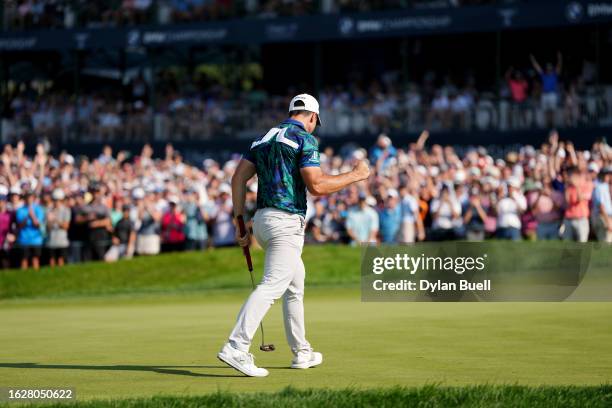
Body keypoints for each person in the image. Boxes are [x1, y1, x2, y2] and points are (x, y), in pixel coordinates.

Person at [218, 93, 370, 377]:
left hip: (262, 221)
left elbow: (238, 178)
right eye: (316, 122)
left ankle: (302, 352)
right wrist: (355, 175)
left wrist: (240, 221)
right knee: (273, 284)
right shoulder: (305, 138)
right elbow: (318, 186)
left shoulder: (264, 137)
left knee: (294, 285)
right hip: (285, 222)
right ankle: (236, 346)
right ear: (312, 117)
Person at [530, 52, 562, 128]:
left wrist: (560, 58)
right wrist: (533, 60)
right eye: (547, 67)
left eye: (550, 67)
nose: (549, 68)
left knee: (552, 110)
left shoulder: (555, 75)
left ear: (551, 68)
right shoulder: (544, 75)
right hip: (545, 94)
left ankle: (552, 124)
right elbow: (537, 67)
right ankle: (547, 124)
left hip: (552, 94)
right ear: (546, 68)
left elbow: (559, 66)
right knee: (546, 110)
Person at [15, 191, 45, 269]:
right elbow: (20, 226)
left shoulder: (38, 209)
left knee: (35, 259)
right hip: (24, 239)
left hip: (36, 240)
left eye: (31, 198)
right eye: (27, 198)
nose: (29, 200)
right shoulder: (20, 210)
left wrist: (32, 215)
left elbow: (37, 225)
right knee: (24, 259)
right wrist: (27, 217)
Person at [563, 167, 591, 242]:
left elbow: (580, 199)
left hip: (581, 220)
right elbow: (567, 202)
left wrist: (577, 186)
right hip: (569, 219)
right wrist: (567, 187)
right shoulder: (569, 188)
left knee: (582, 245)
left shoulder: (585, 185)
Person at [46, 189, 71, 267]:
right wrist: (50, 221)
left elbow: (66, 226)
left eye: (58, 200)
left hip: (62, 242)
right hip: (51, 241)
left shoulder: (66, 210)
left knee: (61, 260)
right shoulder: (49, 210)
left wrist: (55, 219)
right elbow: (48, 228)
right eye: (55, 200)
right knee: (51, 261)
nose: (56, 202)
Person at [591, 167, 612, 243]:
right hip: (603, 217)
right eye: (607, 175)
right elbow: (601, 206)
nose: (609, 177)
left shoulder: (605, 186)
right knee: (605, 245)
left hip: (606, 217)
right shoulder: (600, 187)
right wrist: (608, 222)